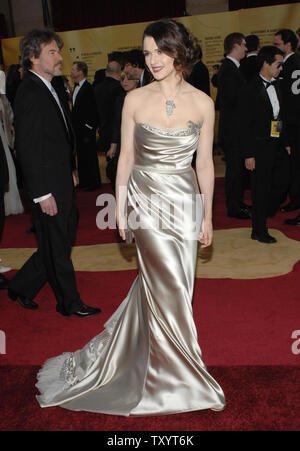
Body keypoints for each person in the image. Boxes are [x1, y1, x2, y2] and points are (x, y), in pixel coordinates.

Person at [36, 19, 225, 415]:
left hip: (185, 200)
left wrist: (207, 215)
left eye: (160, 50)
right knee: (166, 283)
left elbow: (205, 164)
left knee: (178, 286)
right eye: (147, 52)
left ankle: (152, 360)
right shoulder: (134, 100)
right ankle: (181, 375)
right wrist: (120, 206)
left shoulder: (203, 102)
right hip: (147, 200)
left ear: (179, 51)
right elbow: (125, 157)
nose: (152, 60)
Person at [7, 29, 101, 318]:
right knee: (58, 248)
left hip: (60, 178)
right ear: (33, 57)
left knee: (56, 242)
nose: (60, 57)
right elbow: (28, 148)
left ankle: (21, 286)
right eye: (52, 52)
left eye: (59, 52)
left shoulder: (51, 86)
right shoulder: (29, 92)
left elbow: (57, 137)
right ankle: (69, 303)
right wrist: (42, 193)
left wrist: (70, 170)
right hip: (46, 185)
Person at [238, 46, 290, 243]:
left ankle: (265, 210)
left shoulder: (277, 85)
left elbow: (277, 118)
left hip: (275, 145)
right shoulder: (248, 90)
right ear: (266, 64)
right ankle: (259, 230)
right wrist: (248, 154)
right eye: (278, 65)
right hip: (258, 149)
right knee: (260, 189)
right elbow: (244, 126)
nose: (281, 69)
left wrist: (283, 142)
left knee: (283, 180)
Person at [217, 32, 250, 219]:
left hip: (233, 130)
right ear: (236, 45)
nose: (246, 48)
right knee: (235, 171)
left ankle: (237, 203)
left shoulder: (231, 68)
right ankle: (234, 207)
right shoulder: (229, 70)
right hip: (233, 131)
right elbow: (233, 104)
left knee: (237, 170)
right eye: (244, 45)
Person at [273, 29, 300, 214]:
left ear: (288, 44)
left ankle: (294, 199)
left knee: (293, 164)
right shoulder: (293, 62)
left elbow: (289, 100)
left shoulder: (290, 65)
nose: (276, 47)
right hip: (290, 122)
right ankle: (292, 198)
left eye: (277, 44)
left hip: (291, 123)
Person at [106, 71, 138, 191]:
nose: (125, 82)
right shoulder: (120, 99)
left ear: (136, 80)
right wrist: (113, 145)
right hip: (123, 141)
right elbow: (116, 123)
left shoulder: (144, 97)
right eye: (122, 79)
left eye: (128, 78)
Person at [71, 61, 101, 191]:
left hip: (87, 130)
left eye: (73, 69)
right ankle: (84, 181)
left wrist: (89, 128)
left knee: (90, 157)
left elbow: (93, 110)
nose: (71, 72)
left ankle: (93, 183)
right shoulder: (75, 87)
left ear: (80, 72)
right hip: (78, 130)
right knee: (82, 157)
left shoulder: (89, 88)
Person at [0, 71, 24, 216]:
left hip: (2, 136)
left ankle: (9, 204)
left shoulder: (3, 99)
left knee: (6, 168)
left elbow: (9, 116)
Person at [94, 57, 123, 153]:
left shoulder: (96, 88)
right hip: (118, 134)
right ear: (120, 72)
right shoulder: (120, 89)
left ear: (106, 72)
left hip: (102, 131)